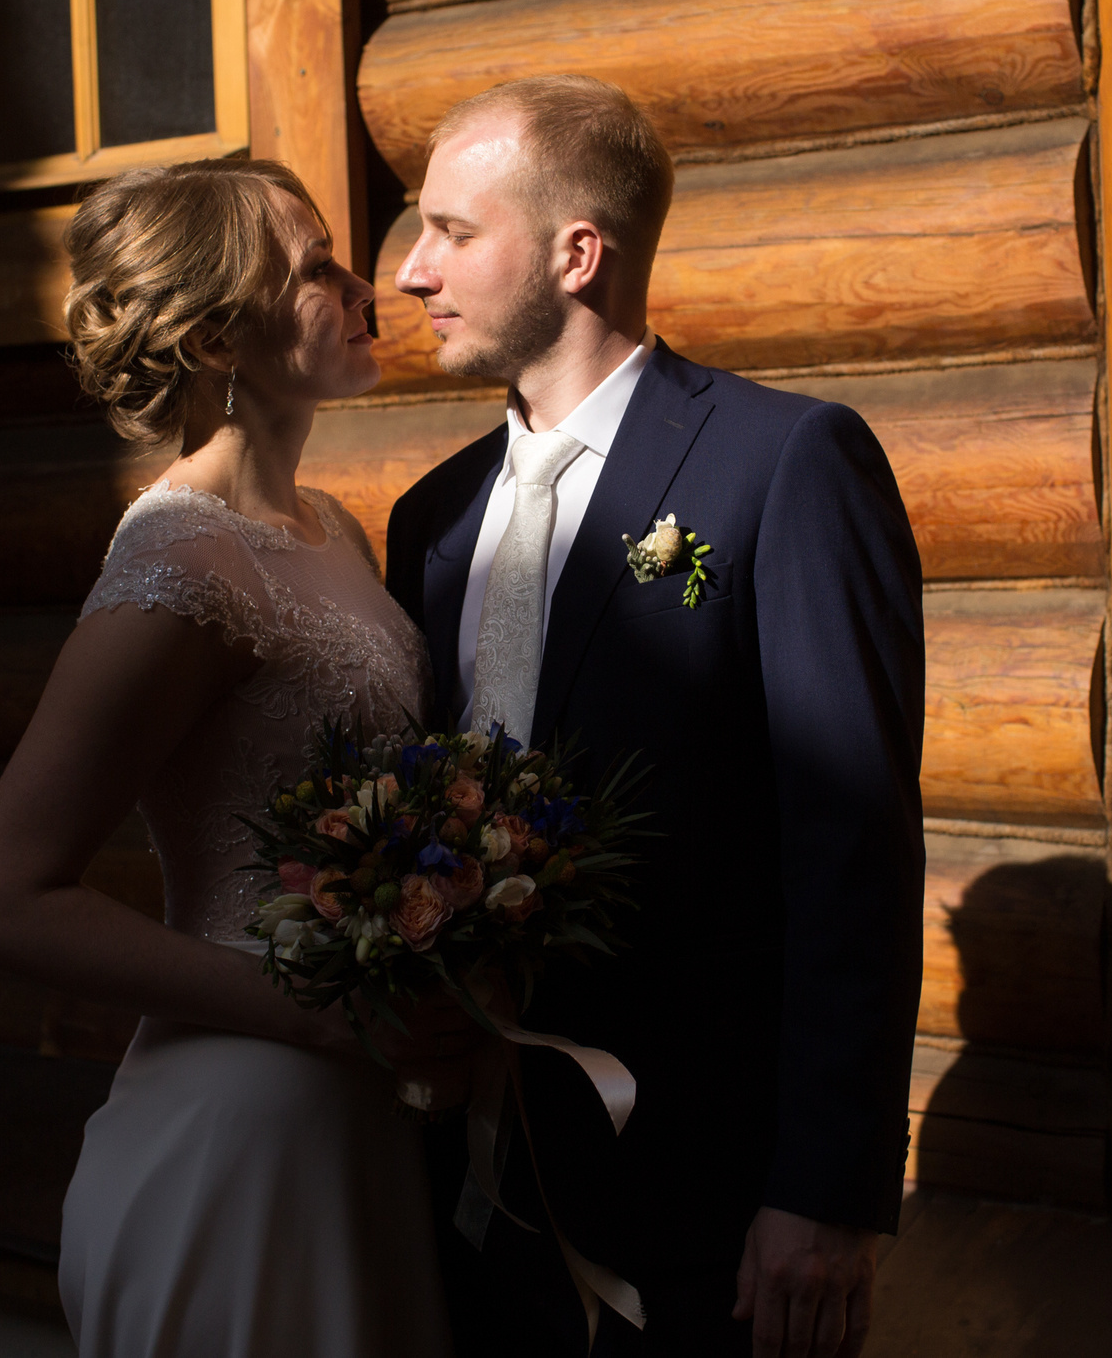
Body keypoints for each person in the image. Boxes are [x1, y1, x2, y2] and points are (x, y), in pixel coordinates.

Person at [385, 76, 928, 1358]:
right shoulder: (432, 518)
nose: (411, 271)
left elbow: (849, 846)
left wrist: (824, 1194)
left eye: (453, 233)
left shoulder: (785, 463)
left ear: (579, 253)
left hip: (703, 1196)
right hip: (465, 1179)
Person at [0, 160, 464, 1357]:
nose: (360, 285)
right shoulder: (179, 571)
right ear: (220, 334)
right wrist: (319, 1017)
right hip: (243, 1126)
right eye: (315, 269)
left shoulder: (326, 528)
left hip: (352, 1124)